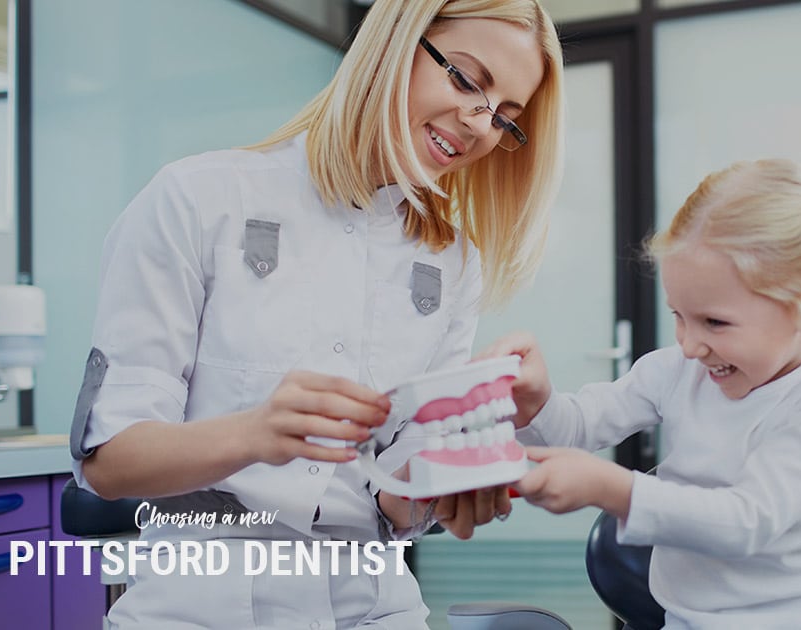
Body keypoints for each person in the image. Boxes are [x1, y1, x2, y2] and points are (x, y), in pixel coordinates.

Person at [67, 1, 564, 627]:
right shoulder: (198, 199)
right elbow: (108, 461)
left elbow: (394, 501)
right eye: (466, 80)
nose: (478, 124)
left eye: (505, 119)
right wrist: (255, 433)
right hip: (199, 605)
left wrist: (458, 469)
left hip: (377, 606)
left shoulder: (453, 262)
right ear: (394, 45)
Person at [485, 158, 801, 628]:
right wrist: (534, 403)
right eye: (679, 315)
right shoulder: (679, 370)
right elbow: (577, 428)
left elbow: (747, 521)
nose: (690, 344)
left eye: (715, 321)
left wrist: (613, 488)